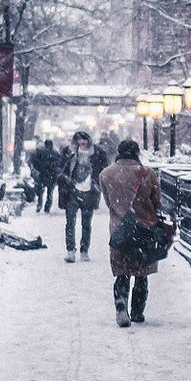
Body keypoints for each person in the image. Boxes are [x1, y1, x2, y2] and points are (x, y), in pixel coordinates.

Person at [99, 139, 161, 327]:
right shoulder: (148, 174)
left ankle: (120, 304)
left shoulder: (106, 174)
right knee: (141, 273)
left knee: (122, 271)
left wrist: (120, 212)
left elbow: (109, 202)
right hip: (144, 229)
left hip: (119, 229)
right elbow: (156, 202)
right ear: (136, 153)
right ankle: (137, 311)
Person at [57, 131, 107, 262]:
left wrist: (98, 184)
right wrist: (66, 179)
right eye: (79, 140)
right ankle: (70, 250)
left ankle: (84, 250)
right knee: (70, 223)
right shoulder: (69, 153)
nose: (82, 142)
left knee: (86, 223)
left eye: (84, 139)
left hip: (90, 192)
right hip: (72, 191)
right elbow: (60, 169)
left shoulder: (97, 153)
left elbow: (104, 169)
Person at [30, 139, 59, 213]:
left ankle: (39, 205)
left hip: (43, 174)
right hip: (52, 175)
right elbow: (59, 163)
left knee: (41, 192)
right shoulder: (55, 153)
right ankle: (47, 207)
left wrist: (39, 169)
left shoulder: (40, 152)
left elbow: (34, 161)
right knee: (50, 193)